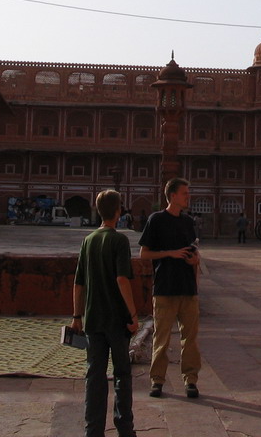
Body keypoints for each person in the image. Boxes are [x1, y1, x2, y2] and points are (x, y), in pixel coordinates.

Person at [70, 190, 139, 437]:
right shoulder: (119, 241)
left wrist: (77, 316)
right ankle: (125, 428)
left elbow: (79, 283)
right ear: (119, 211)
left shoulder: (88, 240)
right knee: (122, 374)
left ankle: (93, 429)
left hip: (93, 320)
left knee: (94, 376)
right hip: (116, 321)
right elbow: (122, 279)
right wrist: (132, 314)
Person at [139, 178, 201, 399]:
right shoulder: (156, 220)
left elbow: (195, 252)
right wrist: (170, 253)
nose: (188, 196)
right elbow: (144, 254)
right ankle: (157, 381)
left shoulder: (188, 222)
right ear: (172, 195)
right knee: (162, 338)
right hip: (165, 287)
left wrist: (193, 261)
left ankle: (191, 380)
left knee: (190, 338)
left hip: (187, 288)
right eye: (184, 193)